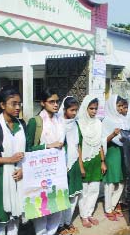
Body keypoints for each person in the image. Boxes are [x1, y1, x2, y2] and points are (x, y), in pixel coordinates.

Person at [0, 86, 42, 235]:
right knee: (1, 219)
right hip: (0, 181)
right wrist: (9, 159)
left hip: (19, 177)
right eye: (13, 103)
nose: (18, 107)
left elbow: (27, 151)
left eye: (19, 104)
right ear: (2, 105)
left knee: (15, 218)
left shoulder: (22, 125)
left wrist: (23, 169)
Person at [26, 88, 66, 235]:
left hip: (57, 170)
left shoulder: (59, 120)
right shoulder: (35, 122)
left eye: (57, 101)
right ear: (43, 103)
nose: (56, 105)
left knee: (57, 206)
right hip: (40, 170)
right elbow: (28, 149)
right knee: (42, 207)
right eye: (51, 102)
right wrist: (47, 146)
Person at [77, 96, 107, 228]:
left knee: (94, 189)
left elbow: (100, 144)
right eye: (91, 108)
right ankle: (83, 215)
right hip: (84, 160)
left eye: (96, 108)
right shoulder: (79, 124)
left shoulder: (98, 124)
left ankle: (89, 213)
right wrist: (81, 166)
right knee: (84, 190)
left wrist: (102, 161)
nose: (94, 111)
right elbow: (77, 147)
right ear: (85, 108)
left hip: (95, 160)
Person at [57, 96, 82, 235]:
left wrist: (80, 165)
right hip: (62, 165)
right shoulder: (59, 124)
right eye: (71, 110)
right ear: (65, 109)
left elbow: (77, 145)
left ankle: (67, 221)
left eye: (76, 110)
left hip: (74, 164)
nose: (74, 113)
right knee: (62, 196)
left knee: (73, 196)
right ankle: (60, 225)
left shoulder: (75, 124)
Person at [102, 95, 126, 221]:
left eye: (122, 106)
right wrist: (113, 134)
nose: (121, 108)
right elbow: (103, 140)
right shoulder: (106, 121)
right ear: (112, 106)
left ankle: (114, 205)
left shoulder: (122, 119)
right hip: (112, 152)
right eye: (118, 106)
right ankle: (108, 209)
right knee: (110, 182)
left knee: (121, 181)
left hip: (122, 152)